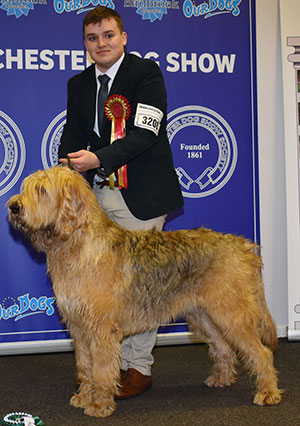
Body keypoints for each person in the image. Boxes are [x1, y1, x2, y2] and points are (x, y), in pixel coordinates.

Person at [58, 6, 184, 399]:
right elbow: (72, 134)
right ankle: (103, 367)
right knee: (100, 294)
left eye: (108, 35)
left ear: (124, 37)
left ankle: (137, 368)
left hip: (141, 197)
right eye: (92, 38)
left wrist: (99, 159)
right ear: (85, 44)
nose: (101, 44)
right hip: (94, 201)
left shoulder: (145, 74)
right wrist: (67, 165)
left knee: (137, 288)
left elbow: (146, 133)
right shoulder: (79, 84)